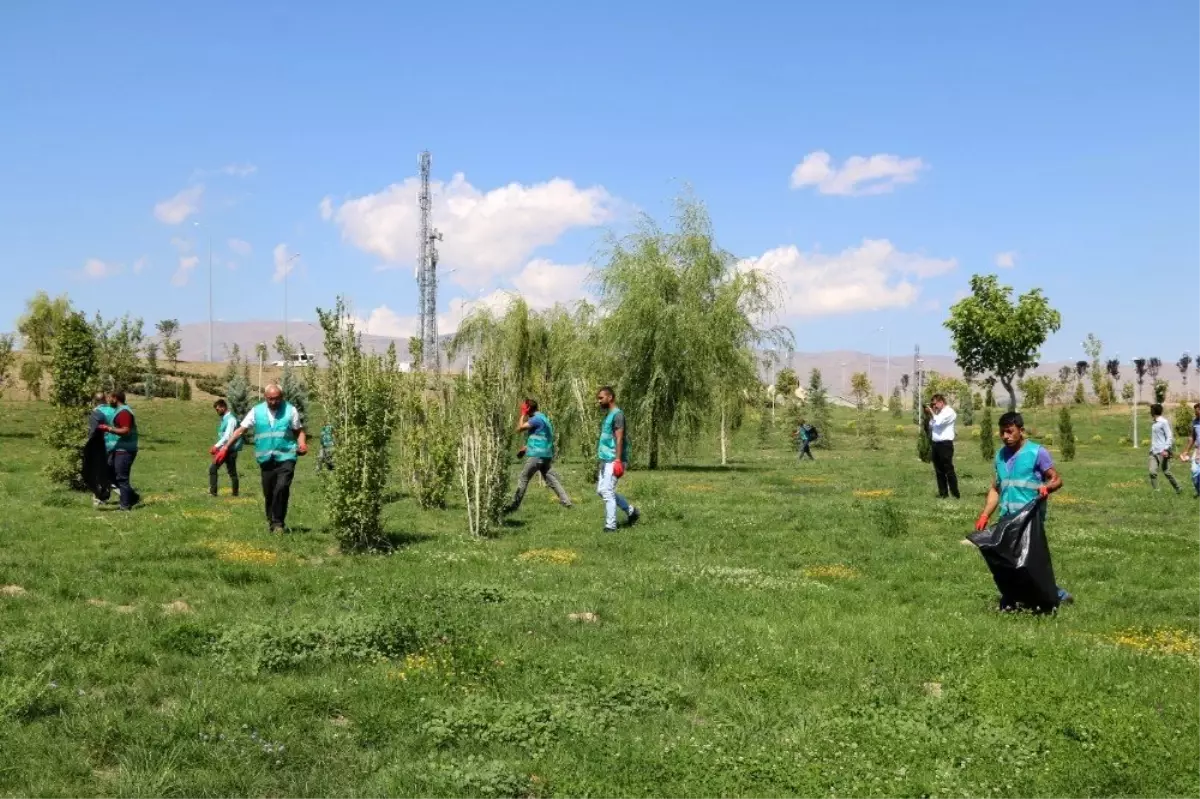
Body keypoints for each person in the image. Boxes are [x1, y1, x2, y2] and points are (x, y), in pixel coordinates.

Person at [973, 411, 1072, 607]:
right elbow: (996, 487)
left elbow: (1056, 479)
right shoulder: (1000, 456)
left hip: (1029, 519)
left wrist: (1048, 487)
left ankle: (1057, 594)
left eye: (1010, 432)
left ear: (1021, 431)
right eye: (1002, 433)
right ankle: (1009, 598)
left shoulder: (1037, 452)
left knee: (1030, 562)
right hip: (1006, 518)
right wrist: (985, 514)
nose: (1005, 437)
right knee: (1005, 562)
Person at [219, 384, 307, 533]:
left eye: (277, 399)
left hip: (286, 456)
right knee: (269, 492)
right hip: (266, 458)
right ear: (265, 397)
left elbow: (299, 431)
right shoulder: (256, 411)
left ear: (282, 397)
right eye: (270, 399)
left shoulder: (290, 410)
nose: (273, 402)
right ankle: (271, 521)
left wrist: (302, 444)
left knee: (282, 487)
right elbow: (241, 430)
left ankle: (278, 523)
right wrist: (226, 447)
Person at [506, 399, 572, 513]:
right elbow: (541, 436)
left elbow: (519, 428)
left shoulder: (536, 419)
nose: (522, 410)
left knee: (523, 478)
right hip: (546, 454)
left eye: (524, 408)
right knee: (551, 478)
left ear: (528, 409)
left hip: (537, 455)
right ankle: (567, 502)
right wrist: (526, 448)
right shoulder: (544, 418)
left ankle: (514, 506)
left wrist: (522, 415)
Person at [595, 386, 639, 533]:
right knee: (602, 491)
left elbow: (619, 438)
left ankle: (610, 526)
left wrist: (618, 460)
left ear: (610, 397)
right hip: (605, 459)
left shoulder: (618, 415)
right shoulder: (609, 415)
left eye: (601, 398)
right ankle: (632, 512)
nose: (599, 401)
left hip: (614, 459)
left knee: (607, 491)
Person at [95, 390, 140, 511]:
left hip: (125, 449)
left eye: (109, 398)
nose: (108, 400)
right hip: (118, 448)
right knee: (109, 474)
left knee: (121, 477)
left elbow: (126, 430)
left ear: (115, 398)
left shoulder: (124, 412)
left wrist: (108, 428)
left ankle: (125, 506)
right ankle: (133, 497)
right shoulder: (118, 411)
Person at [925, 394, 959, 499]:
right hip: (936, 444)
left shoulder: (949, 412)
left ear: (941, 402)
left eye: (934, 404)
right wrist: (932, 414)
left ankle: (955, 494)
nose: (933, 406)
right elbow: (932, 425)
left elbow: (938, 423)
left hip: (945, 444)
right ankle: (943, 493)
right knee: (939, 470)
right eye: (932, 405)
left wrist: (931, 412)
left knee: (948, 469)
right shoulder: (937, 413)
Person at [209, 399, 242, 497]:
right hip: (224, 449)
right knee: (213, 468)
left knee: (232, 472)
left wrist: (216, 446)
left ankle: (234, 494)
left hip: (230, 450)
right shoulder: (225, 419)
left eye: (218, 409)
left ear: (223, 407)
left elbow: (227, 436)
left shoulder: (231, 420)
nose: (217, 411)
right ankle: (213, 492)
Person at [1148, 403, 1182, 494]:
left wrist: (1166, 449)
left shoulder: (1163, 422)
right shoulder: (1154, 422)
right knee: (1152, 472)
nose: (1150, 412)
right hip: (1153, 451)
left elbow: (1169, 436)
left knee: (1166, 471)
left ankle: (1178, 488)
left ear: (1154, 411)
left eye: (1151, 410)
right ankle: (1156, 491)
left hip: (1163, 451)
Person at [86, 392, 113, 508]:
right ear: (105, 399)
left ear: (94, 401)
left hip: (100, 445)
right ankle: (106, 495)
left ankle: (98, 498)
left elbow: (93, 431)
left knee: (97, 472)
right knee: (109, 471)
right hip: (114, 443)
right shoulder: (113, 411)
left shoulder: (96, 413)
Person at [1177, 402, 1200, 497]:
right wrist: (1186, 451)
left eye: (1197, 412)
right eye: (1195, 412)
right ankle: (1199, 491)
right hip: (1198, 450)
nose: (1195, 414)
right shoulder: (1195, 422)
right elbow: (1192, 438)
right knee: (1194, 472)